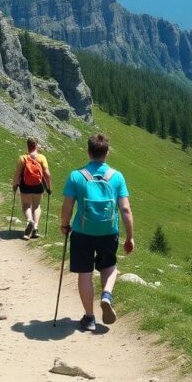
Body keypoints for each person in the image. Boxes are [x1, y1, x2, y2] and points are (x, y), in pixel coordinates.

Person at [60, 133, 134, 332]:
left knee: (84, 273)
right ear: (107, 153)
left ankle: (90, 318)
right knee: (109, 267)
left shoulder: (77, 176)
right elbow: (125, 209)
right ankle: (106, 295)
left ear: (88, 151)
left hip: (83, 232)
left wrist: (64, 224)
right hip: (109, 231)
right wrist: (130, 236)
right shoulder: (116, 177)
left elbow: (67, 206)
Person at [11, 137, 52, 239]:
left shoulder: (23, 158)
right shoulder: (42, 158)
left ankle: (30, 221)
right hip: (38, 186)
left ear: (28, 146)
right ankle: (35, 229)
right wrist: (49, 187)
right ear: (36, 145)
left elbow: (17, 174)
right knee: (37, 206)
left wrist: (15, 185)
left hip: (25, 185)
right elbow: (47, 174)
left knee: (26, 205)